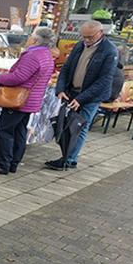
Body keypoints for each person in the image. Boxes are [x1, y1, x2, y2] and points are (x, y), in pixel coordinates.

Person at [45, 19, 118, 171]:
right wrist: (61, 88)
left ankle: (69, 159)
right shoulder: (80, 46)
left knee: (80, 126)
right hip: (73, 91)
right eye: (83, 36)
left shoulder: (109, 51)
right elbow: (66, 68)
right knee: (66, 124)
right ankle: (67, 155)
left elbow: (104, 80)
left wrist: (81, 98)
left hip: (91, 96)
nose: (86, 40)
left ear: (100, 33)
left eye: (90, 37)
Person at [0, 27, 56, 175]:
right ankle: (13, 163)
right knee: (19, 131)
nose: (28, 38)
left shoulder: (32, 55)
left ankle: (2, 163)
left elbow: (18, 77)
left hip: (19, 99)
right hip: (31, 100)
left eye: (31, 36)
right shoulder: (46, 55)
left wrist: (0, 77)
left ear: (35, 40)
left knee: (5, 130)